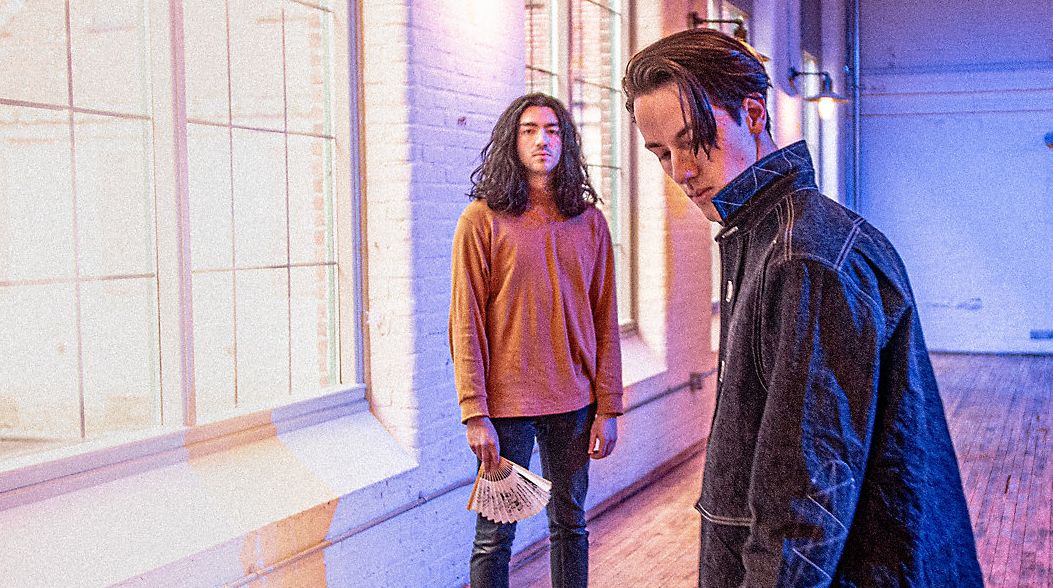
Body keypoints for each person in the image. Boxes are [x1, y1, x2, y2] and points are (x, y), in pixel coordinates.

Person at [622, 28, 982, 587]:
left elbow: (806, 495)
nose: (680, 170)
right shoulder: (771, 237)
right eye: (661, 153)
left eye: (693, 141)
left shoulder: (801, 257)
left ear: (752, 114)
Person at [449, 93, 623, 588]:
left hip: (575, 403)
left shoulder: (589, 222)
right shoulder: (481, 220)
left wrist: (609, 407)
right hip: (505, 408)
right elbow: (465, 323)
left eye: (552, 130)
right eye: (529, 130)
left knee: (570, 525)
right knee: (494, 538)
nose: (541, 140)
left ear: (565, 142)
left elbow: (605, 319)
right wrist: (474, 411)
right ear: (513, 140)